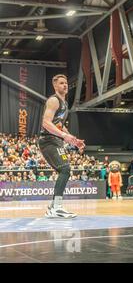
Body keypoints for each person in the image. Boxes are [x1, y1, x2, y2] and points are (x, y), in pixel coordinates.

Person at [38, 74, 85, 218]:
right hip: (48, 140)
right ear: (55, 86)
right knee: (65, 169)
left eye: (66, 83)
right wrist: (64, 136)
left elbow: (59, 125)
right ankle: (56, 207)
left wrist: (74, 140)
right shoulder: (54, 100)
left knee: (65, 170)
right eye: (61, 83)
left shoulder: (64, 103)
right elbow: (46, 122)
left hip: (56, 140)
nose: (65, 85)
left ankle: (53, 207)